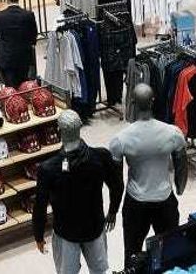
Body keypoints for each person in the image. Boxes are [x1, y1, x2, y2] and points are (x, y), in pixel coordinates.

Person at [33, 111, 123, 274]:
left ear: (59, 131)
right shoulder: (101, 156)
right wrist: (113, 211)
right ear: (80, 127)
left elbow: (40, 206)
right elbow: (117, 185)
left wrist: (38, 235)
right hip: (94, 227)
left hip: (66, 232)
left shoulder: (48, 168)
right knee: (101, 271)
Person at [109, 84, 187, 267]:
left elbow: (116, 182)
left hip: (136, 203)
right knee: (170, 252)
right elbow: (181, 165)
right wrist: (179, 187)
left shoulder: (121, 140)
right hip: (164, 200)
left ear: (133, 103)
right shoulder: (173, 133)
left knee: (132, 253)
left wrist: (113, 209)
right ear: (153, 101)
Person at [0, 0, 38, 87]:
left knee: (10, 88)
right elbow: (34, 35)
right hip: (24, 56)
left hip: (6, 57)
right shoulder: (28, 15)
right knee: (25, 86)